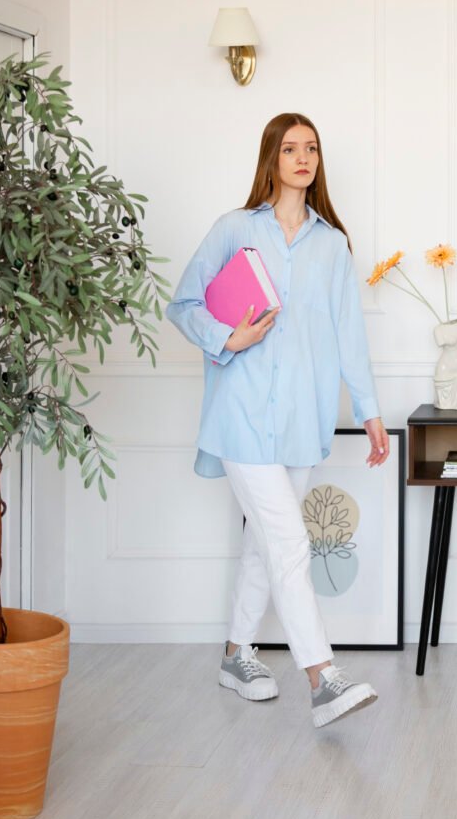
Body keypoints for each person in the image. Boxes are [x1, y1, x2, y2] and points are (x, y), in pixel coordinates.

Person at [165, 112, 388, 729]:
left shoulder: (332, 244)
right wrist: (226, 339)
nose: (303, 157)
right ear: (271, 158)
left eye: (311, 148)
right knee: (289, 542)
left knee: (267, 547)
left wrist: (369, 411)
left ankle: (237, 655)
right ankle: (323, 678)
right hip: (240, 416)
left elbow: (349, 334)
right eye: (290, 148)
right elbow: (181, 303)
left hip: (301, 421)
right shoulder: (234, 229)